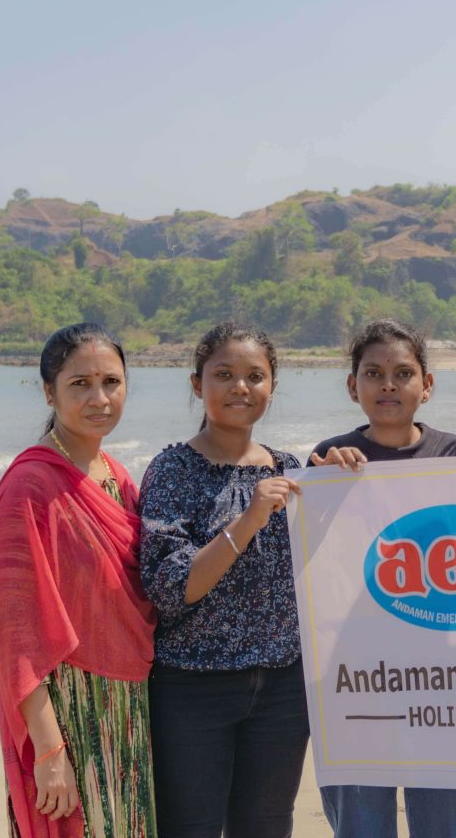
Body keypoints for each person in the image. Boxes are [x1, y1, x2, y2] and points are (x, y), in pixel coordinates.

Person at [140, 321, 347, 838]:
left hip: (281, 690)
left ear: (272, 386)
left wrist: (343, 480)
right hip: (194, 690)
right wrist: (249, 519)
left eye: (255, 376)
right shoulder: (171, 470)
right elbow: (171, 589)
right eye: (224, 374)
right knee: (192, 828)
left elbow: (330, 563)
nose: (240, 387)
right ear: (196, 385)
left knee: (268, 827)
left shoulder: (291, 470)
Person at [307, 318, 456, 838]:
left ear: (426, 386)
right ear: (352, 385)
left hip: (444, 671)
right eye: (373, 373)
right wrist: (325, 481)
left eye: (403, 373)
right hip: (354, 673)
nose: (387, 384)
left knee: (444, 824)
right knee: (360, 826)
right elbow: (313, 563)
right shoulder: (327, 456)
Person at [0, 323, 157, 837]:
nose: (99, 398)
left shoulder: (116, 476)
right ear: (49, 391)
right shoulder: (28, 487)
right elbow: (18, 634)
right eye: (80, 384)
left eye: (111, 382)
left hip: (128, 709)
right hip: (69, 709)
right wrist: (49, 751)